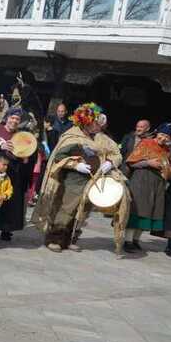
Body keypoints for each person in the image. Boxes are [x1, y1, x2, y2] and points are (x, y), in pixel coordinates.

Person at [31, 103, 127, 253]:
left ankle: (70, 239)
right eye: (95, 123)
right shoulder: (72, 136)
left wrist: (109, 163)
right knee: (67, 208)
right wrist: (75, 165)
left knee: (82, 210)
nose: (98, 126)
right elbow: (59, 156)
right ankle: (55, 238)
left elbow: (117, 154)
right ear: (86, 122)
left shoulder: (102, 138)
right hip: (74, 179)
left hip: (93, 179)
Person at [0, 108, 31, 245]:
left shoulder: (19, 136)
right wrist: (0, 146)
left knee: (4, 204)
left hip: (10, 175)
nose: (14, 121)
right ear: (7, 118)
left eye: (17, 119)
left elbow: (21, 154)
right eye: (12, 118)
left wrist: (25, 158)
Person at [124, 123, 171, 251]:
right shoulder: (145, 143)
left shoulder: (166, 151)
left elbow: (165, 168)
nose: (163, 138)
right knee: (136, 210)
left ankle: (136, 240)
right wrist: (148, 162)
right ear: (157, 133)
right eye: (162, 135)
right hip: (141, 180)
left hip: (156, 183)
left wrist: (170, 170)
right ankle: (128, 241)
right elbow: (131, 162)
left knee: (148, 211)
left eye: (167, 137)